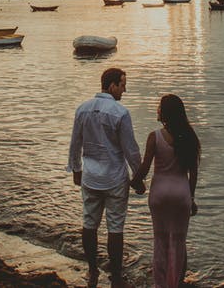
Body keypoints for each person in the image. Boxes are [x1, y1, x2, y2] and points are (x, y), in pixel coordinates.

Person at [68, 68, 144, 288]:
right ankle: (117, 276)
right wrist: (138, 178)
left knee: (89, 223)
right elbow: (131, 150)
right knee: (115, 227)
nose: (125, 89)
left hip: (90, 176)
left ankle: (92, 270)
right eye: (122, 84)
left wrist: (76, 170)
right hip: (114, 178)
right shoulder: (120, 112)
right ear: (111, 86)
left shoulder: (82, 109)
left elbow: (75, 143)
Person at [132, 94, 200, 288]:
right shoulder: (189, 136)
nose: (157, 110)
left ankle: (160, 284)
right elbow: (193, 172)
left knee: (160, 241)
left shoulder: (155, 136)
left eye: (159, 107)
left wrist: (134, 182)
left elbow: (145, 167)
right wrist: (192, 198)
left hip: (160, 193)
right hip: (181, 193)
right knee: (179, 241)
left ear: (164, 112)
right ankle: (177, 282)